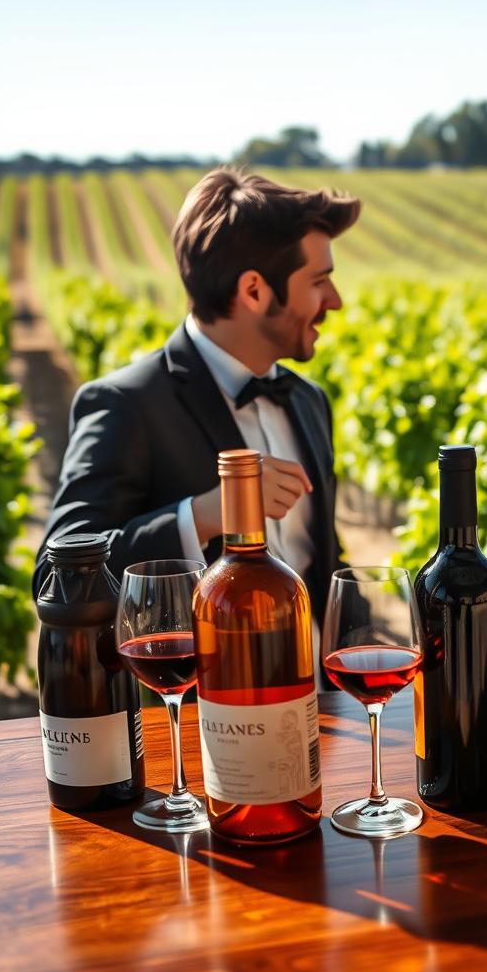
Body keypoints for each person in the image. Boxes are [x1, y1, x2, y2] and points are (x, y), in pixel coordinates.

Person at [35, 168, 361, 634]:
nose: (336, 300)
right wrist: (203, 516)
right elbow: (56, 577)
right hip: (192, 706)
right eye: (319, 281)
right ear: (254, 290)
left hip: (321, 702)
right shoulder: (125, 403)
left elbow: (325, 563)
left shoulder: (309, 401)